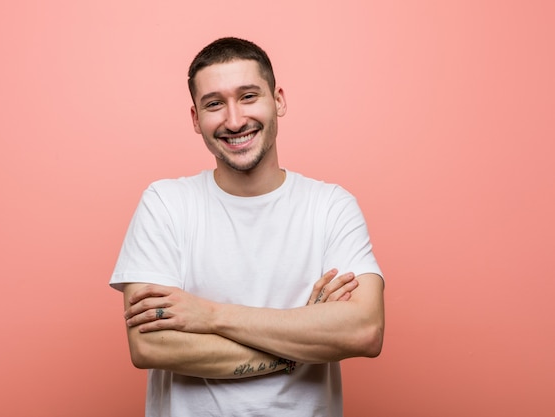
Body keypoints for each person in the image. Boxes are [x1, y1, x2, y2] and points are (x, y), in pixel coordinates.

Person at [110, 37, 385, 417]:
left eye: (249, 96)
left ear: (279, 100)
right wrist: (302, 339)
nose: (234, 120)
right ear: (195, 118)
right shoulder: (166, 205)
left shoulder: (330, 207)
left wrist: (209, 316)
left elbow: (364, 331)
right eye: (214, 104)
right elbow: (151, 347)